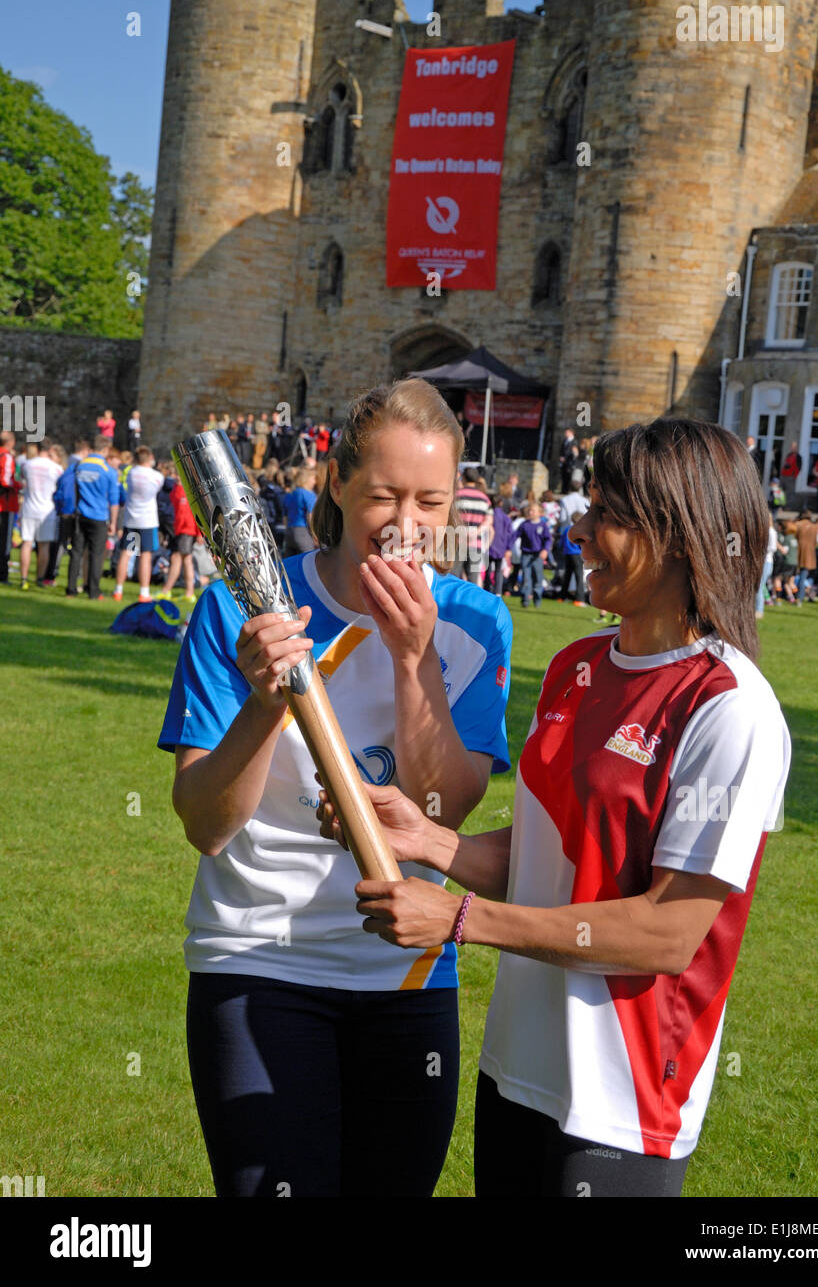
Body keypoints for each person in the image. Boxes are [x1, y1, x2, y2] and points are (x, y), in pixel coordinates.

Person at [324, 418, 790, 1198]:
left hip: (621, 1106)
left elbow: (668, 930)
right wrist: (431, 840)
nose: (578, 533)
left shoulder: (728, 706)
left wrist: (459, 920)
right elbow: (550, 861)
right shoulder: (576, 665)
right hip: (516, 1071)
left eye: (606, 514)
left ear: (680, 535)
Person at [158, 378, 513, 1198]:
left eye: (430, 500)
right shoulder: (236, 610)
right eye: (383, 495)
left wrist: (413, 655)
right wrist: (262, 703)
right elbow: (207, 826)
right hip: (258, 962)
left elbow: (442, 812)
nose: (406, 523)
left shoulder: (476, 622)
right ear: (337, 486)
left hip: (406, 974)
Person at [66, 437, 120, 600]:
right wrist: (114, 522)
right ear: (105, 450)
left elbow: (72, 487)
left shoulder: (80, 465)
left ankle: (71, 589)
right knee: (96, 555)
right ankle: (93, 591)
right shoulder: (108, 470)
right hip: (99, 516)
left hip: (80, 513)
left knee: (76, 553)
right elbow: (114, 501)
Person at [113, 447, 165, 602]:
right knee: (145, 556)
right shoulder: (156, 476)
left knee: (126, 554)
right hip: (147, 521)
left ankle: (118, 590)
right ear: (149, 457)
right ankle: (144, 592)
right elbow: (157, 490)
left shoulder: (131, 473)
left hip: (131, 519)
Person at [18, 439, 63, 589]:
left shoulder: (27, 465)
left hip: (29, 507)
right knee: (44, 546)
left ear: (36, 448)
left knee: (27, 543)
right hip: (47, 510)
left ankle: (23, 578)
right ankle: (40, 577)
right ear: (49, 449)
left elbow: (22, 478)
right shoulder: (56, 468)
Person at [163, 479, 198, 602]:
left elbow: (194, 512)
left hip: (187, 530)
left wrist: (199, 533)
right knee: (184, 560)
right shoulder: (178, 490)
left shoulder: (189, 490)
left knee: (179, 559)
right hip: (181, 530)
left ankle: (167, 590)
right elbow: (174, 500)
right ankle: (189, 592)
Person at [516, 500, 552, 608]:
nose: (531, 512)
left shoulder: (543, 525)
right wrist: (507, 548)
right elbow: (514, 536)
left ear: (540, 513)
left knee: (537, 578)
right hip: (526, 555)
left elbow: (548, 540)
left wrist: (545, 550)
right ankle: (525, 600)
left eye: (533, 511)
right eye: (529, 510)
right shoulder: (524, 525)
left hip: (537, 556)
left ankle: (537, 600)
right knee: (526, 578)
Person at [282, 466, 318, 555]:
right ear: (307, 479)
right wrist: (314, 534)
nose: (315, 482)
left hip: (289, 531)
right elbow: (310, 516)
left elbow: (284, 517)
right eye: (314, 479)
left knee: (290, 561)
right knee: (308, 558)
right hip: (302, 531)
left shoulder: (290, 493)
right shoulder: (309, 494)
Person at [0, 431, 21, 584]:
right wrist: (20, 485)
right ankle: (3, 575)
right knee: (5, 542)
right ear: (10, 442)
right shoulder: (6, 457)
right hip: (5, 505)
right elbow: (6, 480)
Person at [794, 509, 818, 604]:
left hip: (798, 552)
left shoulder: (798, 525)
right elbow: (815, 543)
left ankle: (798, 597)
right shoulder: (814, 527)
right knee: (804, 575)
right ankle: (801, 596)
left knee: (797, 576)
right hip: (809, 553)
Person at [780, 442, 801, 507]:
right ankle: (779, 506)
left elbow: (799, 468)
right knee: (780, 491)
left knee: (790, 493)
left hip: (791, 477)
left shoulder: (798, 457)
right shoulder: (789, 455)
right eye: (792, 446)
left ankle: (788, 506)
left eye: (794, 447)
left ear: (796, 448)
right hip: (784, 476)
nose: (792, 448)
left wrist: (794, 476)